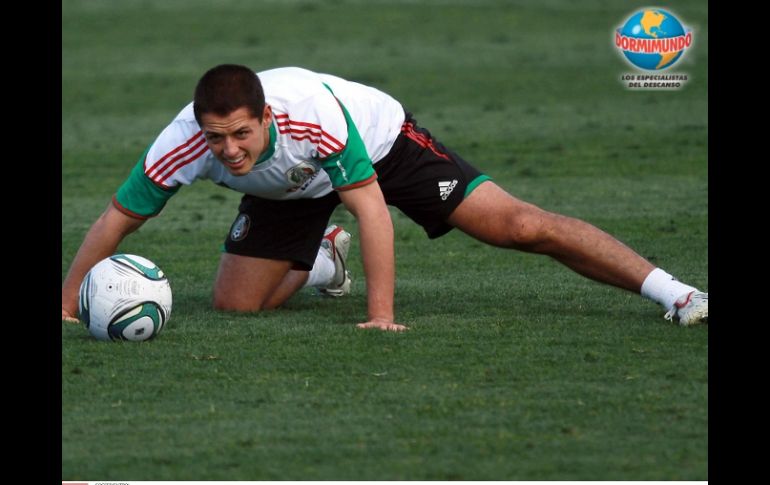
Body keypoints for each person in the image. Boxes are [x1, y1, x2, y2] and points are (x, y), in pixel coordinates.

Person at [61, 65, 708, 332]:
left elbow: (371, 206)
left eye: (240, 134)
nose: (227, 149)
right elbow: (117, 218)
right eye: (216, 138)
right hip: (288, 185)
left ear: (265, 117)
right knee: (236, 304)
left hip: (379, 145)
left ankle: (672, 291)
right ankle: (322, 259)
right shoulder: (182, 143)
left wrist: (380, 316)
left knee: (518, 225)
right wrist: (66, 305)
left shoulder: (314, 117)